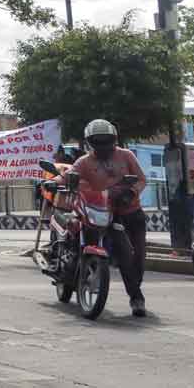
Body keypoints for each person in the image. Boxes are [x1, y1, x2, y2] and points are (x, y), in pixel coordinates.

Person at [65, 119, 148, 317]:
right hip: (110, 214)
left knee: (139, 258)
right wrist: (62, 179)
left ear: (114, 140)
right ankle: (136, 299)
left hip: (133, 212)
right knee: (125, 256)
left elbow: (142, 179)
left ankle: (135, 287)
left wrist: (132, 192)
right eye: (98, 142)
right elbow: (69, 174)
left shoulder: (126, 156)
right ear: (90, 143)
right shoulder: (84, 162)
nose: (103, 146)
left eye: (107, 141)